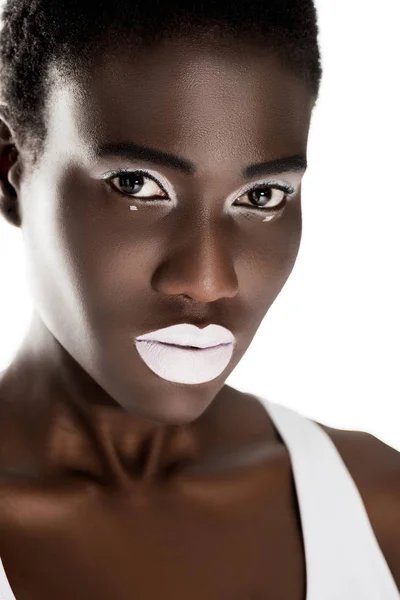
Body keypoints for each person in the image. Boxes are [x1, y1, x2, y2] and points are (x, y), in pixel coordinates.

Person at [0, 0, 399, 598]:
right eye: (136, 185)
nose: (208, 280)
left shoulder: (380, 505)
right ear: (10, 167)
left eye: (262, 195)